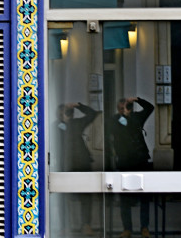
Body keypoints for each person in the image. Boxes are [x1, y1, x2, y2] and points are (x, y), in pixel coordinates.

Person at [109, 97, 155, 238]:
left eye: (126, 107)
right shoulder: (115, 120)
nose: (124, 110)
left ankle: (144, 228)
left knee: (144, 197)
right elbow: (116, 130)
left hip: (140, 160)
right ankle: (127, 229)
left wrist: (136, 99)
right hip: (125, 162)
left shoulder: (137, 117)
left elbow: (150, 108)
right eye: (121, 108)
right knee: (125, 198)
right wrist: (123, 115)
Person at [54, 102, 101, 235]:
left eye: (69, 112)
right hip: (65, 165)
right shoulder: (55, 126)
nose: (68, 114)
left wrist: (78, 106)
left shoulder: (77, 123)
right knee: (63, 196)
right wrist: (63, 120)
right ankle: (65, 226)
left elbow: (92, 114)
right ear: (58, 114)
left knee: (86, 196)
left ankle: (86, 224)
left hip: (82, 164)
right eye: (64, 112)